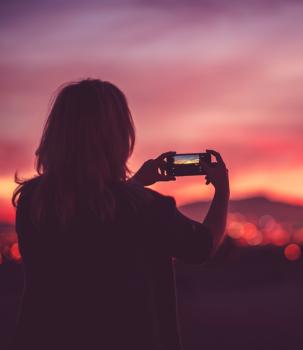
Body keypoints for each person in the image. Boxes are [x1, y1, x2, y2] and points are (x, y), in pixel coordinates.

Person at [10, 79, 229, 350]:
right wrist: (222, 191)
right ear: (119, 136)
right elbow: (202, 246)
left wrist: (134, 184)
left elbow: (91, 224)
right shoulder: (145, 208)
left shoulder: (33, 202)